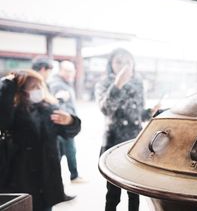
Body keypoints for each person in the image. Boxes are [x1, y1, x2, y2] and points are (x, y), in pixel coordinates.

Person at [0, 69, 81, 211]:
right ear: (21, 91)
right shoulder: (12, 111)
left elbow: (69, 132)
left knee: (45, 206)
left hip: (46, 173)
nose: (38, 90)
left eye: (40, 86)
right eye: (33, 87)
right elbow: (4, 122)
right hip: (20, 174)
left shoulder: (48, 108)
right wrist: (8, 85)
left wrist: (70, 121)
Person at [95, 48, 159, 211]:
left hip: (134, 141)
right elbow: (106, 110)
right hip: (113, 139)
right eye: (118, 62)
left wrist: (148, 112)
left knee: (134, 191)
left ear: (133, 64)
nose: (123, 66)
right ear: (111, 64)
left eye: (127, 62)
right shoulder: (104, 83)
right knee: (113, 192)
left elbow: (138, 114)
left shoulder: (138, 83)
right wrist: (117, 84)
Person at [48, 61, 85, 183]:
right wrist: (68, 122)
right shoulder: (58, 84)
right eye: (67, 71)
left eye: (72, 71)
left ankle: (58, 179)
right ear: (60, 71)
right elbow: (58, 105)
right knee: (67, 151)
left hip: (66, 124)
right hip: (63, 125)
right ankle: (73, 176)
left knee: (62, 152)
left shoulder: (64, 83)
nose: (70, 74)